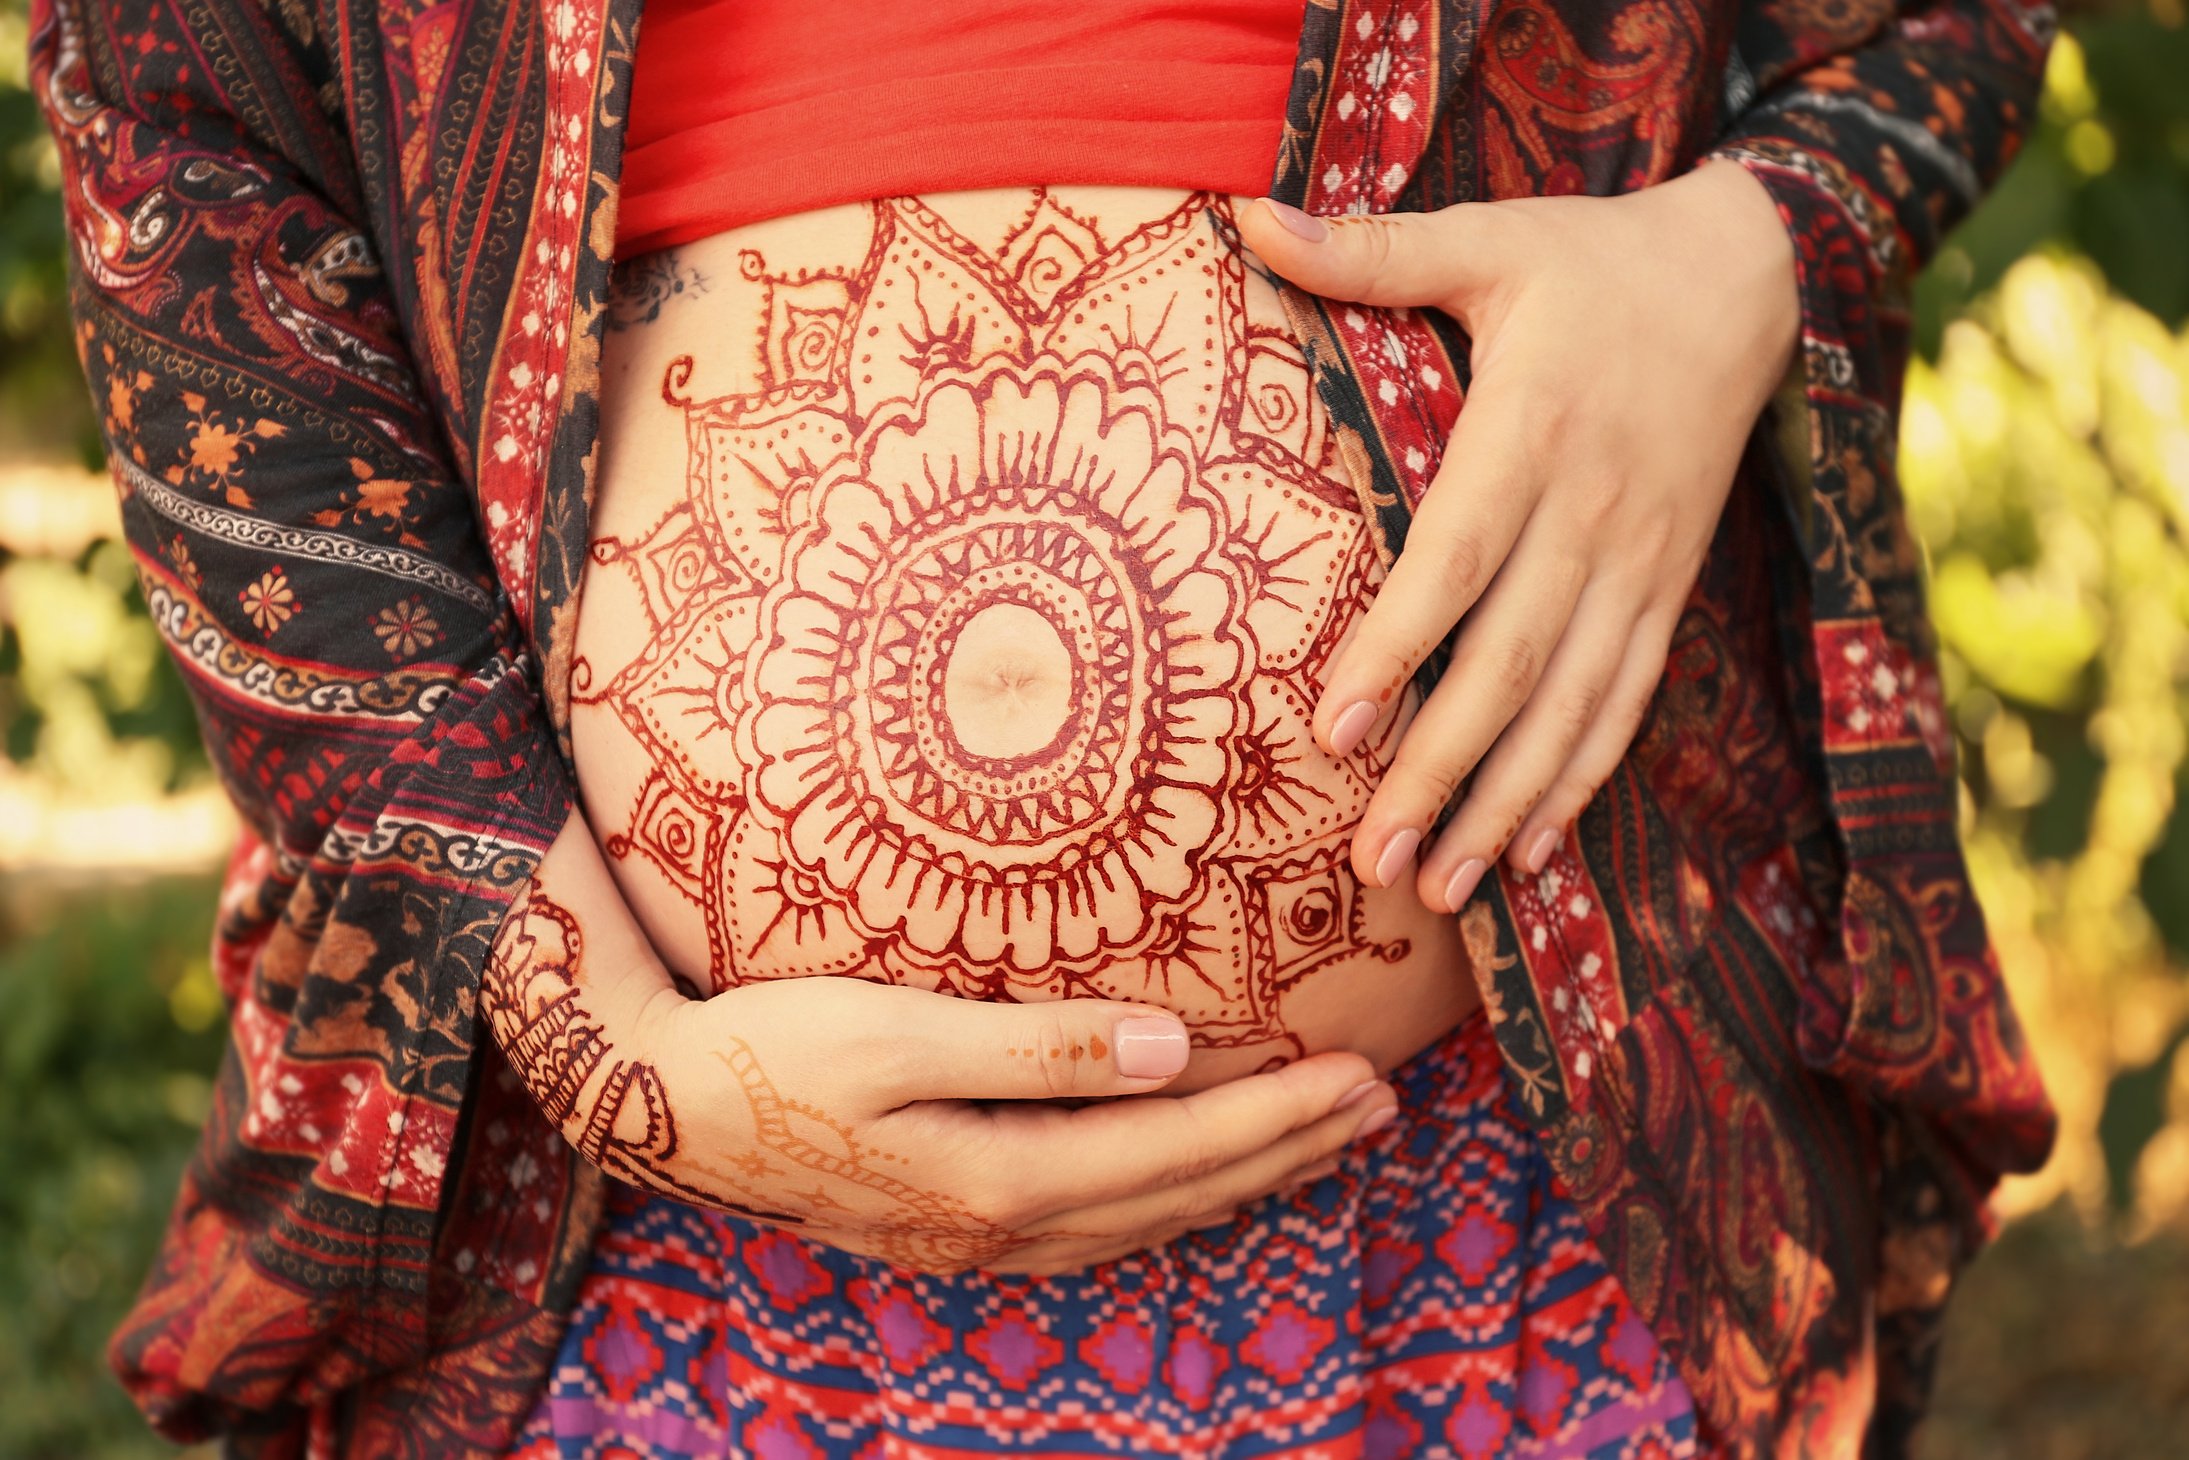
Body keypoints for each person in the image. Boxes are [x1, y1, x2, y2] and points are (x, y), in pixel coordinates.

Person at [31, 0, 2057, 1455]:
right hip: (659, 1242)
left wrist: (1741, 245)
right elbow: (179, 145)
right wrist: (613, 1049)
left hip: (1502, 1174)